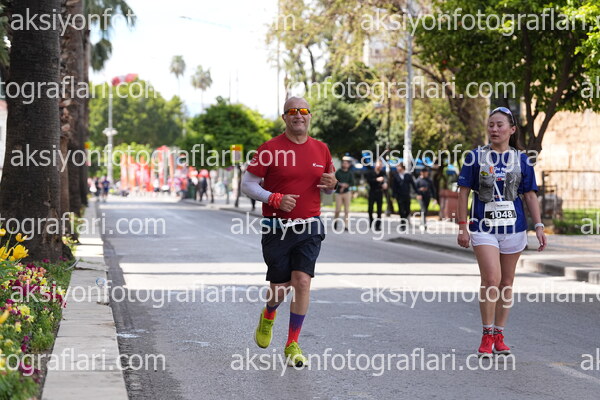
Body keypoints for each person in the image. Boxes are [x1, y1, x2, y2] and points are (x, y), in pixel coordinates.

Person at [241, 97, 337, 367]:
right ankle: (269, 313)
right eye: (292, 111)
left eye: (303, 111)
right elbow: (247, 184)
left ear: (310, 116)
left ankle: (292, 343)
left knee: (302, 281)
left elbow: (328, 188)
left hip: (310, 225)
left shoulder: (321, 149)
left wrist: (332, 185)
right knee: (280, 288)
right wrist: (273, 198)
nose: (298, 115)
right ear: (284, 117)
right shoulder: (270, 148)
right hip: (277, 228)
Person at [457, 106, 547, 357]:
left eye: (499, 125)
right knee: (491, 280)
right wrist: (462, 226)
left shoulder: (522, 160)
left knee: (506, 283)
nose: (494, 129)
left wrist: (539, 226)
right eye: (491, 125)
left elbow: (530, 195)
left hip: (514, 228)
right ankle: (486, 335)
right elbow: (463, 193)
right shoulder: (475, 157)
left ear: (512, 129)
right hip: (483, 227)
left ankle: (499, 334)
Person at [391, 163, 417, 230]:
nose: (397, 168)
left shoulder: (408, 175)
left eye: (398, 167)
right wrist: (393, 197)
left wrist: (417, 193)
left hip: (407, 195)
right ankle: (403, 224)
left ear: (402, 167)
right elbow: (394, 187)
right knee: (401, 210)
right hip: (399, 196)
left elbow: (413, 184)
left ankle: (404, 219)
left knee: (407, 210)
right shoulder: (396, 176)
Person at [366, 159, 387, 231]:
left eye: (381, 165)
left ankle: (378, 225)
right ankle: (371, 220)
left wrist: (385, 184)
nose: (380, 166)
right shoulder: (371, 172)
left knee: (379, 210)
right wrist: (376, 179)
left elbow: (386, 180)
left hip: (379, 192)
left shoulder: (383, 173)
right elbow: (369, 181)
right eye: (379, 164)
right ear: (375, 165)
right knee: (370, 209)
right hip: (372, 192)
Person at [334, 157, 355, 230]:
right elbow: (335, 181)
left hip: (347, 192)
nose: (345, 164)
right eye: (344, 163)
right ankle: (335, 221)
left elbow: (352, 183)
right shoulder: (338, 172)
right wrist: (341, 185)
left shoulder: (350, 173)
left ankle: (346, 225)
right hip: (338, 193)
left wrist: (346, 185)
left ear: (348, 165)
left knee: (346, 210)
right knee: (337, 210)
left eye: (346, 163)